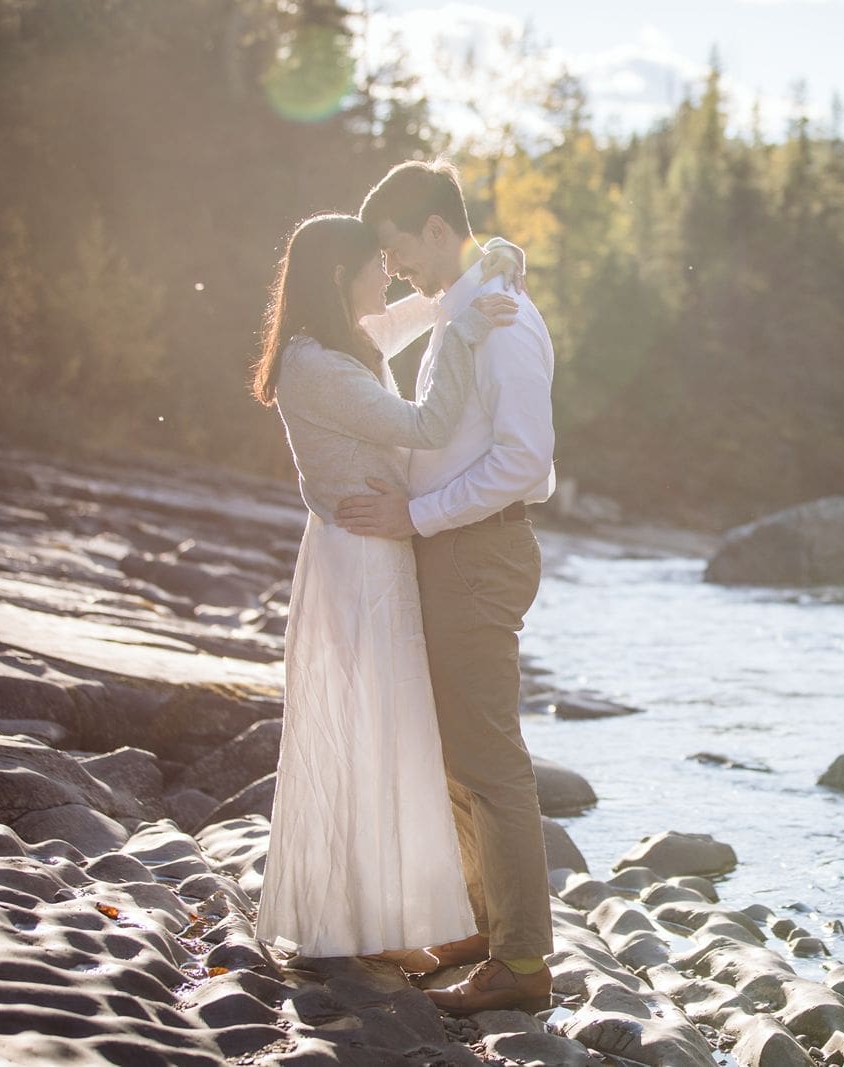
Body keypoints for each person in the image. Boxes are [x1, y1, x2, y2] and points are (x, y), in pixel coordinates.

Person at [248, 212, 522, 970]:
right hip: (359, 562)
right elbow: (428, 425)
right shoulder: (319, 368)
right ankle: (359, 925)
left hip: (372, 550)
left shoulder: (345, 343)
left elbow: (421, 308)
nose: (389, 273)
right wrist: (467, 336)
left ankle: (384, 918)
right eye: (377, 263)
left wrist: (489, 261)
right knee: (367, 728)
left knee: (385, 729)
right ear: (342, 276)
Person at [334, 161, 557, 1014]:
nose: (396, 271)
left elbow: (522, 461)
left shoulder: (502, 322)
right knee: (457, 752)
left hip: (479, 550)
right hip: (454, 547)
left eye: (399, 252)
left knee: (489, 760)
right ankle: (488, 924)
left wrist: (416, 517)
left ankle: (524, 966)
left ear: (435, 228)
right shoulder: (465, 307)